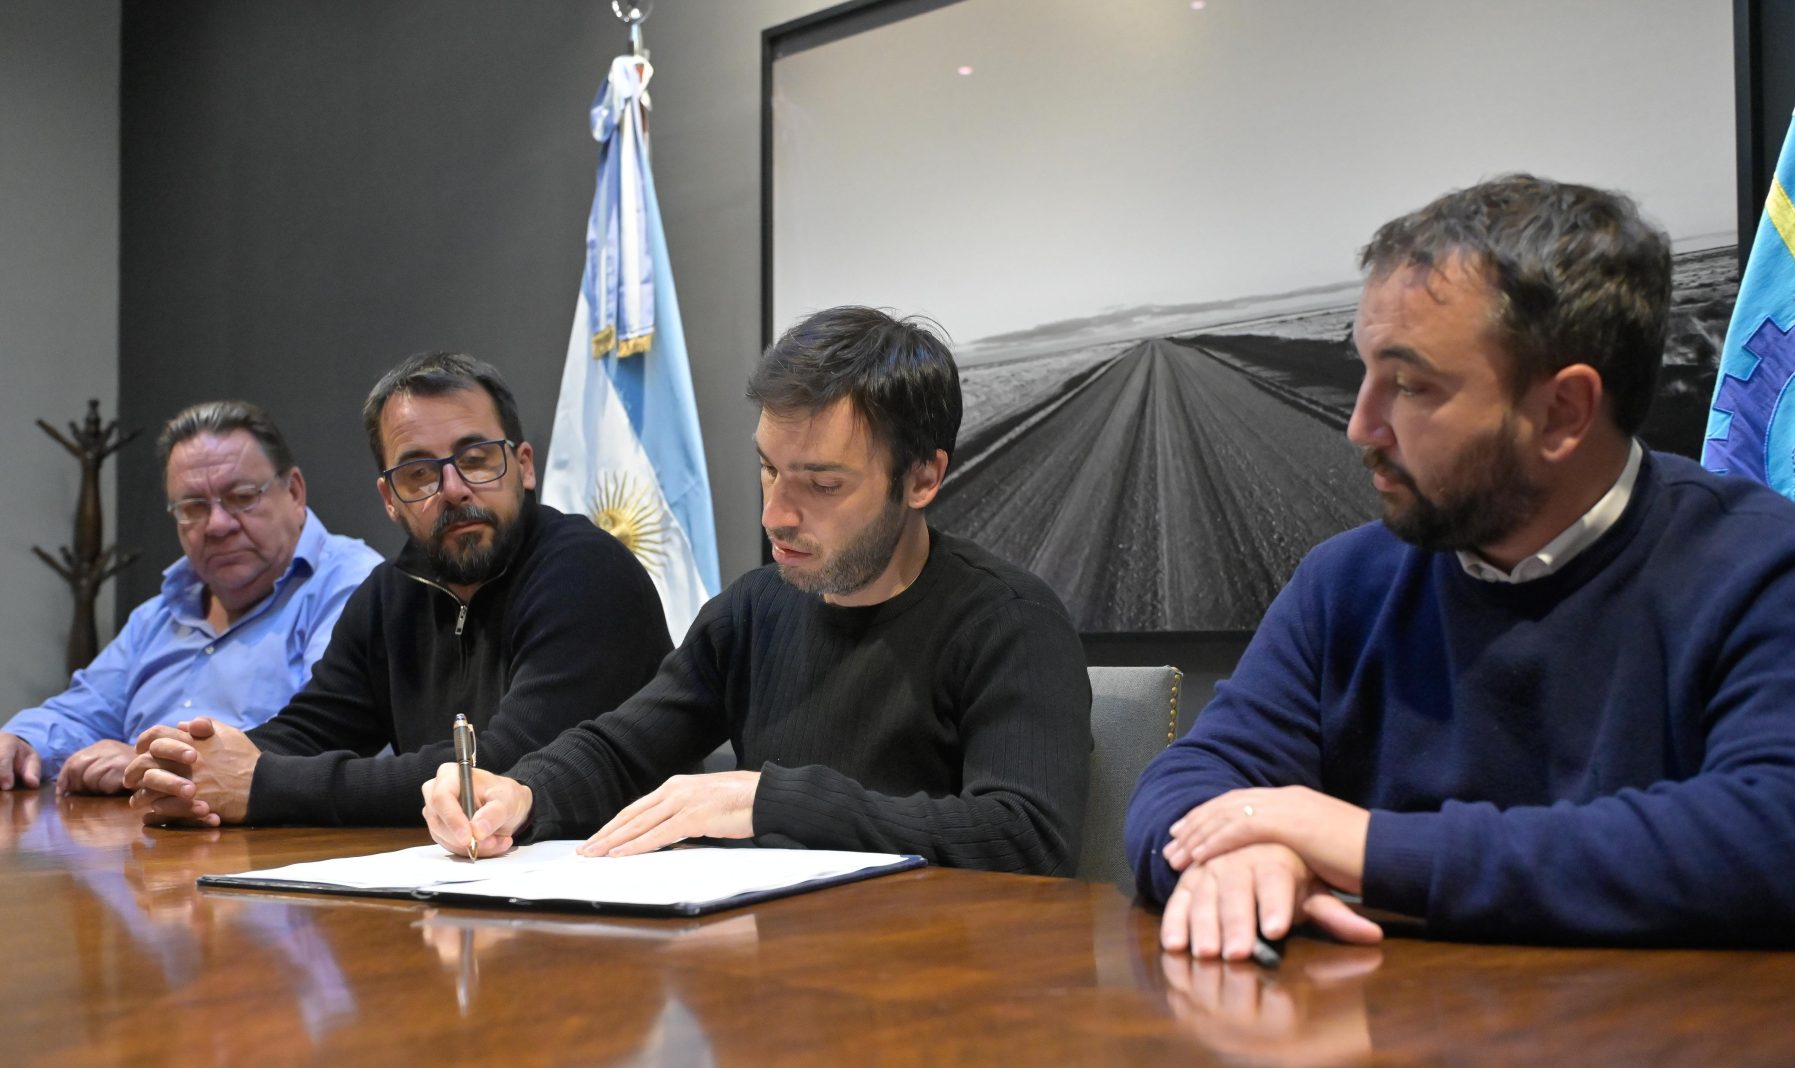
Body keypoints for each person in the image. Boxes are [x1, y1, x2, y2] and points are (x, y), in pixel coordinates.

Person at [1128, 174, 1795, 954]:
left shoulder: (1759, 566)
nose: (1360, 426)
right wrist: (1245, 855)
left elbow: (1772, 834)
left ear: (1563, 412)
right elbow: (1190, 782)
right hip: (1386, 1026)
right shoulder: (1344, 583)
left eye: (1410, 385)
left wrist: (1364, 846)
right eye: (1363, 371)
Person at [419, 306, 1092, 875]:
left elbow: (1026, 834)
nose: (774, 514)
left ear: (921, 479)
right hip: (772, 965)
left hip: (933, 972)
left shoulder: (1011, 622)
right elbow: (623, 748)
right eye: (768, 469)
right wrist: (522, 793)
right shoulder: (753, 609)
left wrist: (773, 801)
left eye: (822, 484)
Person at [124, 351, 670, 827]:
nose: (453, 489)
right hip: (458, 879)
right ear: (389, 498)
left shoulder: (586, 571)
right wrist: (193, 768)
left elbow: (500, 766)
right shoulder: (391, 592)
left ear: (523, 468)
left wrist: (261, 784)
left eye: (476, 459)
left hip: (615, 885)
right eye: (419, 474)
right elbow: (314, 727)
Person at [0, 402, 380, 796]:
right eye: (193, 507)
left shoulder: (354, 586)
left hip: (275, 828)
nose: (218, 525)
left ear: (295, 492)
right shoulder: (160, 614)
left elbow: (323, 732)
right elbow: (82, 712)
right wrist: (22, 742)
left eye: (241, 497)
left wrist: (159, 762)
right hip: (134, 826)